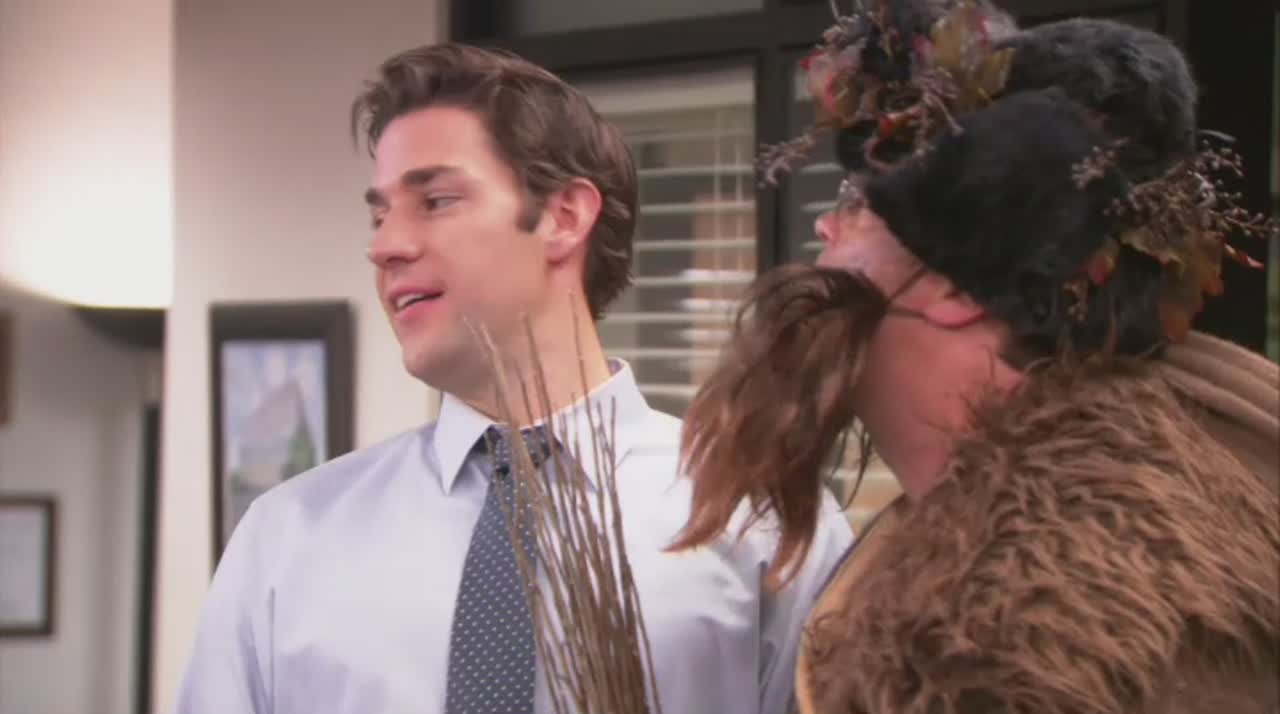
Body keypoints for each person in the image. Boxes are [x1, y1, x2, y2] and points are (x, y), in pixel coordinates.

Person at [170, 43, 853, 714]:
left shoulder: (764, 521)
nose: (384, 246)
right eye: (379, 216)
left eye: (435, 201)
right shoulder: (286, 539)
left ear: (564, 217)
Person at [669, 1, 1280, 712]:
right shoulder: (1005, 539)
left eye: (858, 207)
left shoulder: (1028, 647)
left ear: (955, 285)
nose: (826, 228)